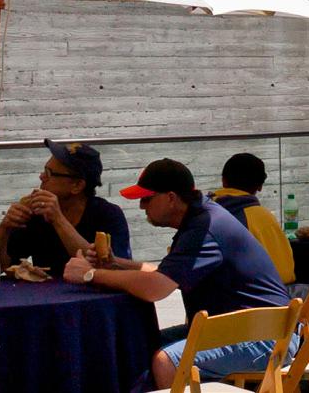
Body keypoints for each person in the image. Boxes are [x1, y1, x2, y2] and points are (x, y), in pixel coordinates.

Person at [67, 159, 289, 389]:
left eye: (147, 198)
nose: (142, 206)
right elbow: (165, 275)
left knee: (166, 362)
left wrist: (90, 274)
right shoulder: (199, 219)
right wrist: (115, 264)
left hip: (264, 336)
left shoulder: (204, 229)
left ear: (171, 198)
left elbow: (156, 288)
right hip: (242, 329)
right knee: (140, 344)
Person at [0, 139, 130, 272]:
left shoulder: (108, 214)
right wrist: (4, 228)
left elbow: (115, 269)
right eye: (44, 170)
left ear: (77, 185)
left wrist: (58, 219)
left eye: (49, 173)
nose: (41, 177)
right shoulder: (36, 214)